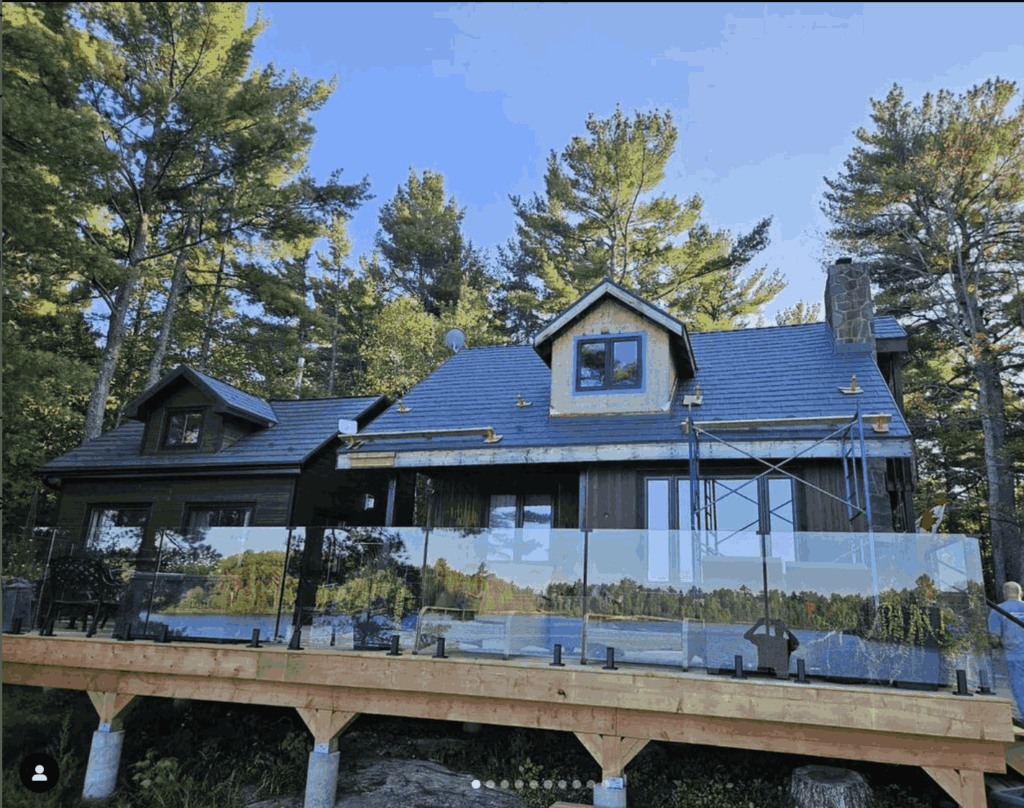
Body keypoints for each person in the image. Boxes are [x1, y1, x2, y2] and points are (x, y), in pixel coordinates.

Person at [988, 581, 1024, 723]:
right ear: (1020, 593)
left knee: (1020, 689)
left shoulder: (998, 609)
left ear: (1004, 593)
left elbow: (994, 639)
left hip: (1013, 656)